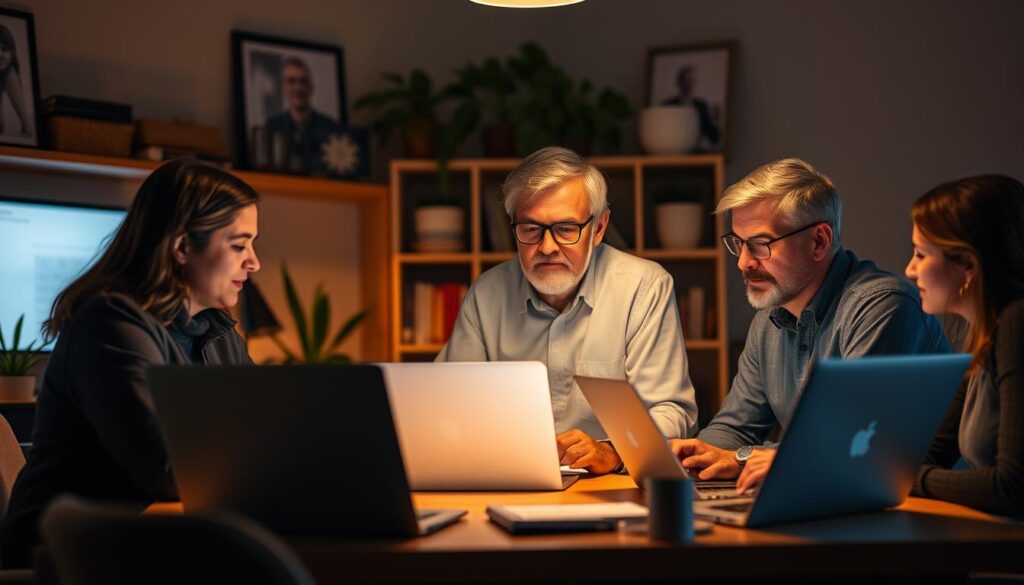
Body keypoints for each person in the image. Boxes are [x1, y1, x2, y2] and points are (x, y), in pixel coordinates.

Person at [0, 160, 261, 568]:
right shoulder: (108, 324)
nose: (254, 262)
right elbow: (167, 472)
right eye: (240, 244)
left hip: (152, 547)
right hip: (66, 563)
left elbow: (264, 441)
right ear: (182, 247)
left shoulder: (220, 334)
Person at [670, 158, 949, 493]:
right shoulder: (769, 318)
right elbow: (735, 429)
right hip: (835, 500)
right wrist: (690, 455)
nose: (744, 262)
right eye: (738, 243)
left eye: (761, 244)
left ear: (819, 241)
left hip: (920, 509)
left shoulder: (882, 306)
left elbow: (850, 444)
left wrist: (743, 458)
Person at [437, 146, 697, 475]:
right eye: (530, 229)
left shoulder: (644, 287)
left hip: (608, 485)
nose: (547, 248)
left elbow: (671, 412)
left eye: (565, 229)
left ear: (599, 228)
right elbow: (448, 406)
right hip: (509, 479)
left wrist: (613, 452)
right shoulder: (486, 294)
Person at [905, 175, 1024, 516]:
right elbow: (930, 454)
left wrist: (912, 479)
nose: (910, 270)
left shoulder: (1016, 324)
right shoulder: (984, 338)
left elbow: (1012, 487)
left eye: (920, 254)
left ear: (969, 267)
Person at [264, 56, 341, 174]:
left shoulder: (329, 127)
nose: (298, 88)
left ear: (311, 87)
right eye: (291, 81)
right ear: (283, 87)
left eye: (303, 82)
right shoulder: (272, 125)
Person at [661, 65, 720, 150]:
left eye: (690, 81)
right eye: (685, 81)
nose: (688, 84)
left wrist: (716, 120)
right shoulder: (668, 106)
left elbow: (713, 138)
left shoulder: (702, 106)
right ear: (679, 83)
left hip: (697, 154)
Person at [0, 24, 32, 138]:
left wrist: (25, 124)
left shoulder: (9, 73)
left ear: (12, 52)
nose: (0, 55)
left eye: (4, 49)